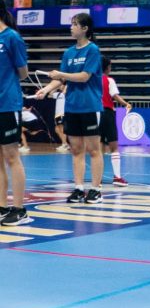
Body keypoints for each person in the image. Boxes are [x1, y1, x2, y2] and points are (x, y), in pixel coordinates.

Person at [36, 13, 104, 204]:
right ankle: (79, 188)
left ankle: (96, 189)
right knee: (76, 150)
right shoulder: (68, 53)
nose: (71, 27)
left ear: (85, 29)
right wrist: (46, 90)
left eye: (75, 24)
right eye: (71, 24)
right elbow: (60, 79)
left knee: (93, 149)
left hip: (90, 106)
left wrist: (61, 73)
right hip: (72, 107)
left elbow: (84, 77)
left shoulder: (92, 50)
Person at [0, 0, 31, 227]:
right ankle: (2, 207)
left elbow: (23, 72)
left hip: (8, 104)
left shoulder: (11, 37)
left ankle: (19, 209)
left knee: (12, 156)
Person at [100, 56, 131, 187]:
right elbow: (114, 95)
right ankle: (117, 177)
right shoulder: (109, 80)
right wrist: (126, 104)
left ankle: (98, 180)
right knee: (114, 146)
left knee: (99, 147)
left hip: (94, 113)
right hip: (107, 113)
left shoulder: (91, 79)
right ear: (107, 67)